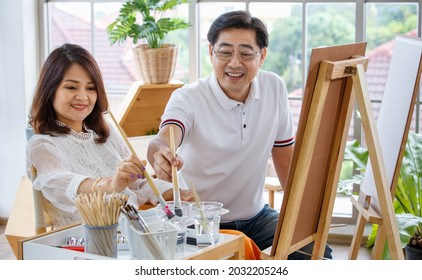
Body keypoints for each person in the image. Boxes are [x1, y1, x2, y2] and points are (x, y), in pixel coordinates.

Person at [147, 11, 332, 259]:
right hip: (201, 222)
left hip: (256, 217)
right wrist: (160, 153)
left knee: (316, 255)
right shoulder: (188, 97)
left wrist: (302, 218)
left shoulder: (274, 87)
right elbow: (164, 137)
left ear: (262, 56)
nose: (234, 63)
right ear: (211, 52)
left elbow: (286, 161)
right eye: (225, 52)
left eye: (246, 53)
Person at [26, 43, 190, 229]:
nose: (82, 97)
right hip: (88, 242)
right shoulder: (42, 144)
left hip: (132, 231)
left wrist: (173, 193)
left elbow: (138, 183)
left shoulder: (107, 134)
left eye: (90, 88)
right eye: (71, 88)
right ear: (50, 90)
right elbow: (57, 183)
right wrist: (110, 184)